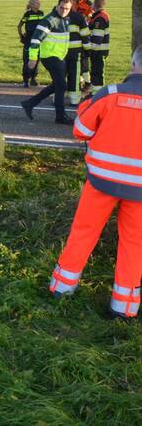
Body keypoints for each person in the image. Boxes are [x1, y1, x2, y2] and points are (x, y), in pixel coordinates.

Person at [47, 46, 142, 320]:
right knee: (134, 243)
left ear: (133, 64)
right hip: (139, 190)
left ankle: (62, 288)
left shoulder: (110, 94)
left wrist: (88, 105)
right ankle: (123, 307)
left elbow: (81, 131)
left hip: (101, 182)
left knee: (84, 232)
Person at [21, 0, 74, 124]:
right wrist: (33, 59)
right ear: (57, 6)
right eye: (61, 8)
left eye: (67, 9)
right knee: (61, 86)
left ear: (70, 8)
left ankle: (30, 103)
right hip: (50, 57)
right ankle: (60, 117)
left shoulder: (66, 19)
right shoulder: (49, 20)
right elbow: (35, 39)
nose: (64, 10)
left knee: (57, 85)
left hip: (59, 56)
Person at [65, 1, 90, 105]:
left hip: (59, 51)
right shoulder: (78, 17)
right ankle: (74, 100)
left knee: (59, 75)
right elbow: (85, 35)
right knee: (74, 75)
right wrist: (87, 50)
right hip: (75, 52)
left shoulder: (55, 17)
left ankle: (57, 98)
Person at [17, 0, 46, 87]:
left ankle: (33, 78)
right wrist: (21, 35)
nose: (39, 4)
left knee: (37, 59)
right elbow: (19, 25)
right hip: (29, 40)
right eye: (37, 3)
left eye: (39, 3)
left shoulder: (41, 13)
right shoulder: (27, 14)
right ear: (32, 5)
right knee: (27, 60)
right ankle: (26, 80)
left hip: (38, 40)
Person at [73, 0, 94, 90]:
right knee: (77, 60)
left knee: (83, 60)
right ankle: (80, 81)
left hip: (84, 34)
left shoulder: (89, 5)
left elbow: (90, 20)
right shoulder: (73, 2)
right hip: (74, 35)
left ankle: (88, 82)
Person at [88, 0, 111, 87]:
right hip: (99, 50)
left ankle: (97, 93)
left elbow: (97, 37)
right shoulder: (100, 15)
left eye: (93, 4)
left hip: (98, 50)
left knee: (97, 72)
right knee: (96, 72)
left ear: (95, 5)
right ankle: (96, 91)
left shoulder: (99, 18)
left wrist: (90, 48)